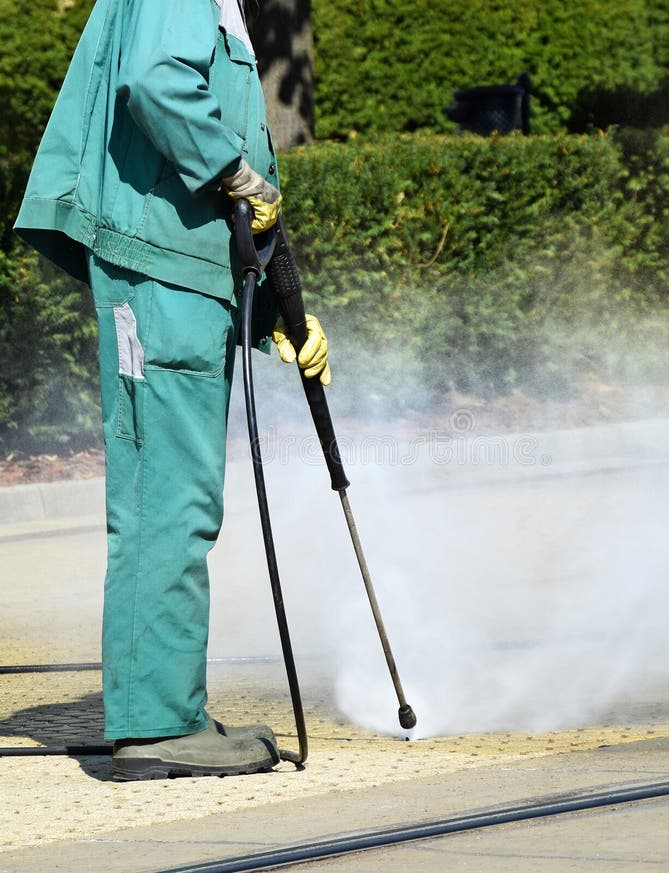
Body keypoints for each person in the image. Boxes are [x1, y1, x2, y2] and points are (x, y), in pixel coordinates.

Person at [14, 0, 329, 780]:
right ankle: (155, 723)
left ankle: (170, 708)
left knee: (179, 496)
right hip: (157, 278)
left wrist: (277, 320)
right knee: (168, 499)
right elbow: (155, 82)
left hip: (178, 276)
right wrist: (235, 170)